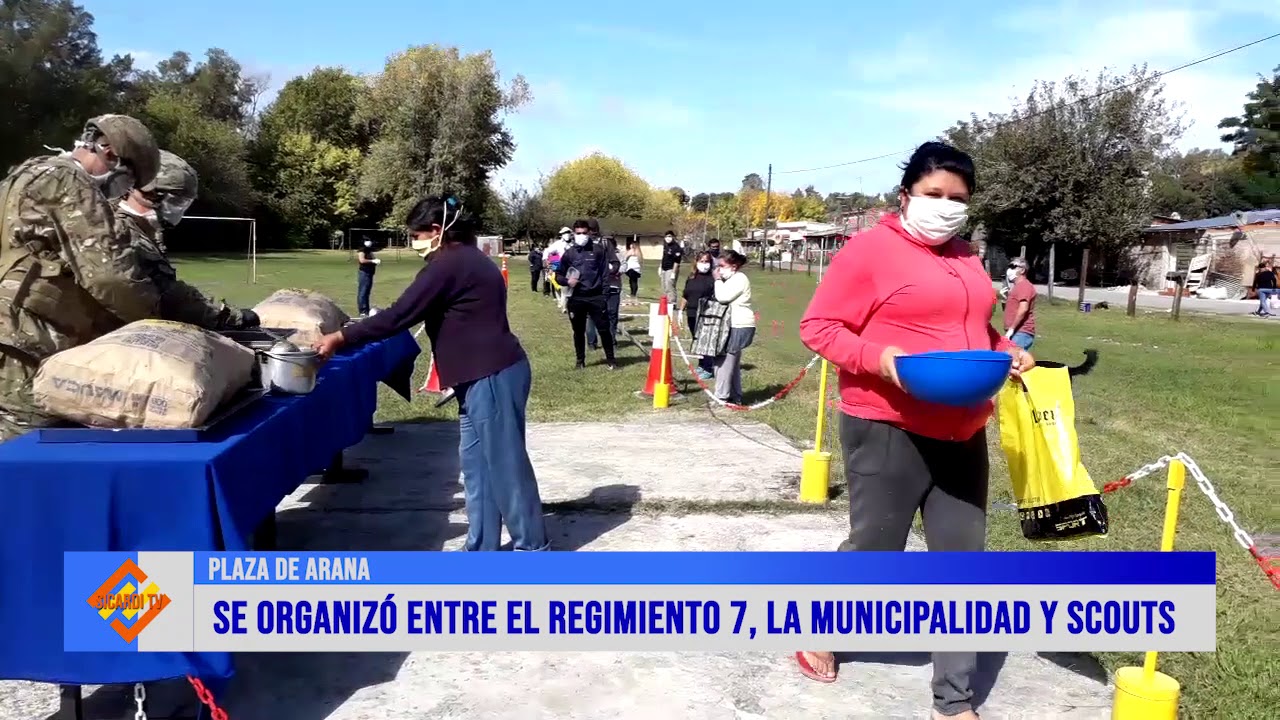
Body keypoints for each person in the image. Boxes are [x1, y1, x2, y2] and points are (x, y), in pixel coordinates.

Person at [796, 141, 1034, 720]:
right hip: (886, 424)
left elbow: (974, 327)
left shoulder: (966, 257)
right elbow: (819, 327)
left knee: (962, 562)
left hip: (963, 428)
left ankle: (954, 701)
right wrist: (885, 361)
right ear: (907, 195)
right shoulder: (868, 250)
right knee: (877, 552)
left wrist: (1005, 351)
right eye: (934, 195)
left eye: (958, 198)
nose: (946, 206)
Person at [312, 194, 549, 552]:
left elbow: (400, 315)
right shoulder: (465, 259)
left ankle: (532, 550)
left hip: (493, 374)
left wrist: (341, 337)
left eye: (417, 234)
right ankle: (481, 548)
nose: (414, 242)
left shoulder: (449, 265)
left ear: (437, 231)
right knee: (478, 469)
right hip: (475, 378)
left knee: (506, 466)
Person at [0, 114, 162, 442]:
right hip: (28, 343)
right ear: (111, 155)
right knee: (29, 451)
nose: (122, 192)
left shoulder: (22, 176)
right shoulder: (71, 183)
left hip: (10, 333)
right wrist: (156, 323)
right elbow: (112, 278)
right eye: (126, 181)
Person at [114, 149, 259, 330]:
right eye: (173, 203)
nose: (173, 211)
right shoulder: (119, 234)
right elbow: (168, 298)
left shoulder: (141, 230)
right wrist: (228, 317)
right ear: (146, 193)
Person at [556, 219, 618, 370]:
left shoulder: (598, 250)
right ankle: (580, 361)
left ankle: (611, 360)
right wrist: (566, 281)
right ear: (574, 234)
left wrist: (604, 295)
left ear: (589, 233)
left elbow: (604, 274)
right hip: (577, 298)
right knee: (578, 331)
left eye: (584, 233)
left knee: (604, 330)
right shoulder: (569, 254)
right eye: (578, 233)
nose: (581, 236)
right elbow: (558, 274)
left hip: (596, 297)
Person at [710, 250, 755, 403]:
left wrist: (717, 280)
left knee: (724, 362)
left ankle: (721, 396)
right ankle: (735, 396)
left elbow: (723, 297)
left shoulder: (739, 279)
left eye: (722, 266)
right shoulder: (731, 279)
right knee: (732, 364)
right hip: (732, 324)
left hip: (739, 324)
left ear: (733, 266)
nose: (718, 269)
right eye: (717, 266)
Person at [679, 251, 717, 380]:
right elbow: (685, 295)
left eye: (707, 261)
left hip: (705, 314)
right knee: (697, 340)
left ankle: (708, 367)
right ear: (696, 262)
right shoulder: (691, 277)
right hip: (691, 313)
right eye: (702, 261)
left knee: (704, 341)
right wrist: (680, 311)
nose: (704, 264)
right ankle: (701, 365)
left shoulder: (713, 279)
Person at [586, 228, 622, 352]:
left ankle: (611, 341)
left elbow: (620, 265)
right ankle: (592, 342)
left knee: (612, 314)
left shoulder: (613, 251)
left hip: (613, 287)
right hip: (595, 287)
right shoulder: (586, 250)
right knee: (591, 315)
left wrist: (612, 270)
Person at [1002, 256, 1037, 349]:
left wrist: (1012, 329)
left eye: (1013, 267)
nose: (1009, 270)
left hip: (1021, 332)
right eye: (1009, 267)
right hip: (1015, 332)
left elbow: (1023, 309)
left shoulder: (1024, 286)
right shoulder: (1016, 287)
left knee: (1013, 361)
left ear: (1022, 270)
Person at [355, 237, 380, 316]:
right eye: (367, 241)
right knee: (363, 292)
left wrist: (375, 261)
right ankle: (362, 310)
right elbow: (362, 260)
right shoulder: (361, 250)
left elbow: (372, 258)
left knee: (367, 292)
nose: (369, 242)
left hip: (370, 272)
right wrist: (372, 261)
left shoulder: (369, 250)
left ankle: (366, 309)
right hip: (364, 273)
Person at [659, 229, 683, 306]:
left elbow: (677, 261)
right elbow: (664, 257)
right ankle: (665, 302)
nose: (668, 238)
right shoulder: (666, 245)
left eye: (669, 236)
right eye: (666, 236)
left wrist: (673, 272)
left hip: (671, 269)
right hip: (664, 268)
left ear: (673, 237)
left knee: (670, 286)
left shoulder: (676, 247)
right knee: (664, 286)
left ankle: (672, 303)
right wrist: (660, 267)